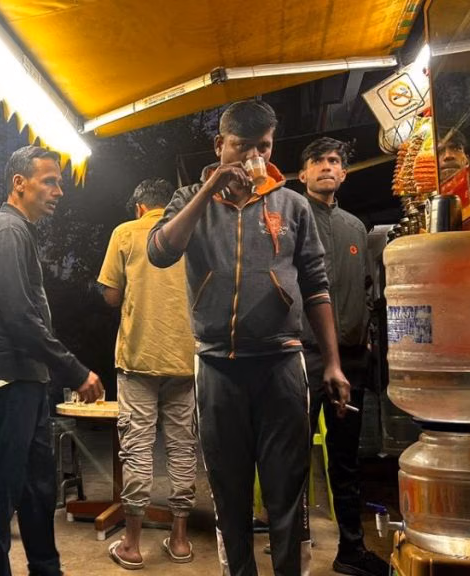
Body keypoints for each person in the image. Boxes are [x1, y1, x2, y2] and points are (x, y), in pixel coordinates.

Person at [147, 99, 350, 576]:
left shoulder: (292, 205)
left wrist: (335, 364)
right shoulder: (186, 201)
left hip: (281, 364)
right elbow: (160, 252)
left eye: (263, 147)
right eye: (241, 147)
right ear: (220, 145)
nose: (252, 158)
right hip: (217, 365)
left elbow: (317, 286)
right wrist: (208, 190)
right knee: (228, 490)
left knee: (287, 491)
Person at [0, 145, 105, 576]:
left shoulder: (18, 232)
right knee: (1, 491)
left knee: (37, 487)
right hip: (10, 379)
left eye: (59, 182)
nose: (59, 191)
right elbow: (20, 319)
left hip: (27, 379)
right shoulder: (7, 232)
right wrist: (76, 369)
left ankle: (46, 569)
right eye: (50, 181)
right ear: (19, 183)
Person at [298, 137, 388, 576]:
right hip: (302, 355)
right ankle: (291, 552)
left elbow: (368, 289)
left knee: (346, 458)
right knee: (292, 456)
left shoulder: (356, 227)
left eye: (334, 161)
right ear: (303, 174)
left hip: (351, 357)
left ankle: (350, 550)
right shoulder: (291, 216)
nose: (326, 167)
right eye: (317, 162)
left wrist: (367, 338)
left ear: (344, 173)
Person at [98, 178, 198, 570]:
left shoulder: (126, 232)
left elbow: (110, 294)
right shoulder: (192, 229)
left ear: (140, 207)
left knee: (136, 448)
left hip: (138, 357)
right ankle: (181, 540)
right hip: (186, 359)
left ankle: (132, 545)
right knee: (183, 447)